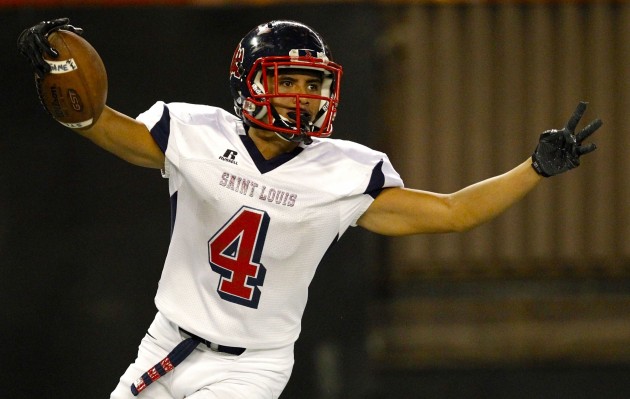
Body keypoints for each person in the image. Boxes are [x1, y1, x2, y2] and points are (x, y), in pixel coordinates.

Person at [18, 18, 602, 399]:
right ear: (248, 84)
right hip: (165, 340)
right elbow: (98, 124)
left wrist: (533, 170)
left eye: (314, 84)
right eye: (289, 80)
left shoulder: (343, 171)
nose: (307, 96)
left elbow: (452, 213)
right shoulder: (194, 132)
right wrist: (61, 76)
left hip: (249, 368)